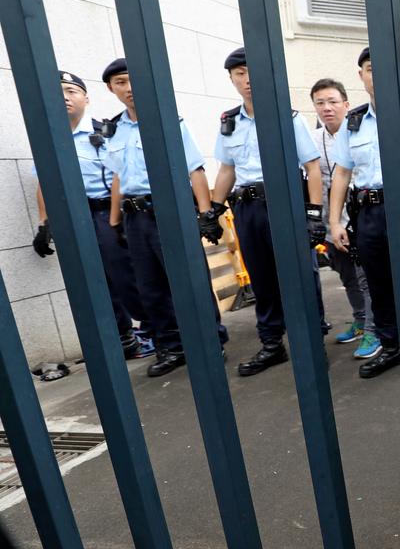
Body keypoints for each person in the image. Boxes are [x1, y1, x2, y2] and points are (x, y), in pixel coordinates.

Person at [100, 58, 228, 377]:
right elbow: (118, 177)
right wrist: (114, 221)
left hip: (169, 210)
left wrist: (205, 213)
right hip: (135, 216)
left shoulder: (168, 120)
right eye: (120, 83)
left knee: (188, 278)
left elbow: (194, 169)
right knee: (149, 286)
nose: (128, 88)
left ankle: (211, 341)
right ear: (111, 88)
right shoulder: (113, 129)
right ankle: (172, 347)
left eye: (132, 80)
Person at [326, 47, 400, 380]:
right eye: (369, 68)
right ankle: (392, 347)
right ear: (361, 75)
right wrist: (335, 221)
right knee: (378, 285)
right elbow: (341, 174)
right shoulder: (353, 125)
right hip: (367, 213)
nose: (375, 74)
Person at [209, 48, 326, 377]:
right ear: (231, 79)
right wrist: (213, 209)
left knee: (299, 275)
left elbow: (312, 167)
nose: (247, 80)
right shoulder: (228, 122)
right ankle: (272, 343)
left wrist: (314, 214)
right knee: (261, 277)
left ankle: (313, 342)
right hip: (247, 209)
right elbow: (226, 169)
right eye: (239, 74)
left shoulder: (286, 117)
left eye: (251, 72)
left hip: (283, 204)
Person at [31, 71, 152, 360]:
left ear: (86, 97)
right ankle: (124, 338)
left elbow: (119, 178)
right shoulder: (48, 140)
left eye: (72, 91)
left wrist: (116, 221)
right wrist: (44, 223)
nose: (65, 97)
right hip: (74, 219)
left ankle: (153, 330)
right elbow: (44, 184)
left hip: (104, 214)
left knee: (126, 277)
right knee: (94, 281)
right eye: (58, 91)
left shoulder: (107, 133)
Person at [312, 78, 380, 360]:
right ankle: (360, 318)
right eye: (320, 103)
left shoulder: (360, 128)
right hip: (331, 220)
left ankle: (373, 330)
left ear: (345, 104)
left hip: (359, 216)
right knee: (345, 273)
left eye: (333, 102)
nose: (327, 108)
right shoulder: (314, 139)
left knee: (367, 277)